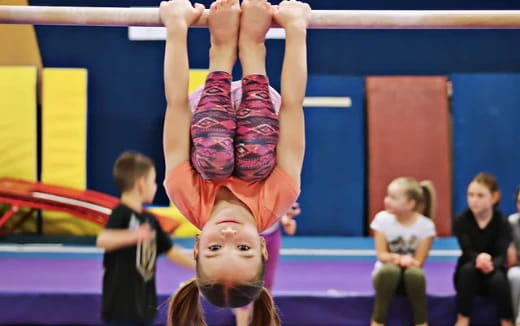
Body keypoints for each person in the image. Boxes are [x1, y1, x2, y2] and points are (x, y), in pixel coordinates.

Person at [159, 0, 310, 324]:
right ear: (262, 249)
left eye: (214, 250)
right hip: (263, 110)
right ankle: (253, 50)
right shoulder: (279, 197)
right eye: (244, 250)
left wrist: (176, 27)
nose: (229, 238)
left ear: (197, 247)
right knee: (253, 164)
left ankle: (222, 51)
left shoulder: (183, 193)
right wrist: (296, 29)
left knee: (215, 161)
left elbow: (175, 106)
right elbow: (293, 108)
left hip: (208, 110)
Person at [96, 151, 195, 326]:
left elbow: (171, 251)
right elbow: (104, 240)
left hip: (144, 305)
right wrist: (133, 235)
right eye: (153, 181)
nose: (155, 186)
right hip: (120, 308)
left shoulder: (150, 220)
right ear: (141, 184)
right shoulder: (122, 213)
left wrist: (200, 268)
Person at [370, 177, 437, 326]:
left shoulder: (426, 226)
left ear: (410, 204)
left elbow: (419, 261)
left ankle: (421, 321)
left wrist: (410, 261)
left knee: (414, 274)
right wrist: (398, 259)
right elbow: (382, 255)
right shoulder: (382, 220)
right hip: (386, 276)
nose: (387, 200)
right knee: (390, 272)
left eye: (393, 197)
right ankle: (377, 320)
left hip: (410, 278)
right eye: (388, 195)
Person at [453, 173, 513, 326]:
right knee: (468, 271)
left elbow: (501, 254)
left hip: (493, 269)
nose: (474, 200)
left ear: (494, 197)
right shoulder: (462, 220)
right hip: (468, 272)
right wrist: (478, 259)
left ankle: (506, 320)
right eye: (470, 195)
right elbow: (467, 250)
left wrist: (490, 263)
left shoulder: (502, 222)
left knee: (499, 280)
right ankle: (463, 318)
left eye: (480, 195)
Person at [234, 202, 301, 326]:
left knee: (267, 282)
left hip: (272, 236)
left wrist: (286, 216)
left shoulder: (278, 187)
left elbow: (280, 207)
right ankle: (242, 322)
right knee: (245, 282)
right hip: (249, 236)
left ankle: (262, 319)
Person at [506, 186, 520, 326]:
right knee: (515, 276)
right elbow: (511, 261)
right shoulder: (512, 222)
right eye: (519, 201)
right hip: (518, 268)